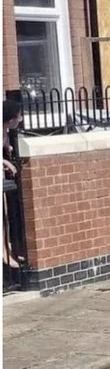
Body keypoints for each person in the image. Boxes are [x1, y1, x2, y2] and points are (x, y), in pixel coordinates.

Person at [3, 99, 23, 269]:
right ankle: (4, 254)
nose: (21, 119)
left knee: (7, 216)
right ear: (10, 120)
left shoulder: (6, 131)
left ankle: (8, 249)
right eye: (19, 116)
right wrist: (6, 162)